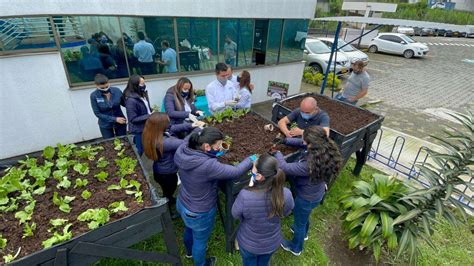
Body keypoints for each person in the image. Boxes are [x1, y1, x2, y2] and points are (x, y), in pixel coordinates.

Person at [174, 127, 255, 266]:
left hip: (183, 202)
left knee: (189, 228)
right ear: (206, 146)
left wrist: (202, 130)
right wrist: (250, 159)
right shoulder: (208, 165)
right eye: (218, 146)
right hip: (199, 211)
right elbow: (236, 171)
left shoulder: (183, 149)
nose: (219, 148)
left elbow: (194, 134)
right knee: (200, 240)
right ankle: (200, 264)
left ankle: (189, 253)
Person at [274, 126, 342, 256]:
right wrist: (284, 141)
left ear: (310, 143)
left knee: (299, 223)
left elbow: (284, 167)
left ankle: (296, 248)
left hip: (306, 197)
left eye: (304, 138)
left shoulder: (309, 165)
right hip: (316, 193)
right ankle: (304, 234)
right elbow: (301, 143)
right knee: (304, 217)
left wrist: (277, 153)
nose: (302, 139)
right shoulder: (323, 147)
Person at [232, 154, 294, 266]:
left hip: (249, 243)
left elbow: (235, 214)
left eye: (253, 169)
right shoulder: (286, 193)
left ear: (259, 176)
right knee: (264, 263)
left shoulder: (245, 195)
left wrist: (250, 189)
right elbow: (287, 212)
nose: (252, 170)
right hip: (271, 243)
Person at [142, 112, 204, 218]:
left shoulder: (151, 133)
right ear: (161, 126)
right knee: (168, 191)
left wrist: (191, 125)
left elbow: (173, 128)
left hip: (159, 170)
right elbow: (184, 143)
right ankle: (168, 211)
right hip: (167, 173)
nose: (169, 123)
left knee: (167, 190)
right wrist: (198, 130)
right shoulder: (164, 142)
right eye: (167, 122)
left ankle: (169, 199)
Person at [89, 74, 127, 139]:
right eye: (102, 88)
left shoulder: (117, 91)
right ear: (96, 86)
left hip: (120, 122)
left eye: (107, 86)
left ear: (109, 83)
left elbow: (125, 104)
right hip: (105, 124)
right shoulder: (94, 95)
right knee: (109, 144)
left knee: (124, 141)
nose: (105, 89)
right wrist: (115, 119)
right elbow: (97, 113)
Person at [123, 74, 152, 156]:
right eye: (142, 84)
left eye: (144, 83)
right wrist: (149, 116)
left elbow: (145, 107)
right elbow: (133, 119)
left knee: (145, 147)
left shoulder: (142, 93)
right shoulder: (131, 100)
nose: (144, 86)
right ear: (135, 85)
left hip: (146, 126)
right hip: (138, 130)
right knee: (139, 150)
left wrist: (151, 110)